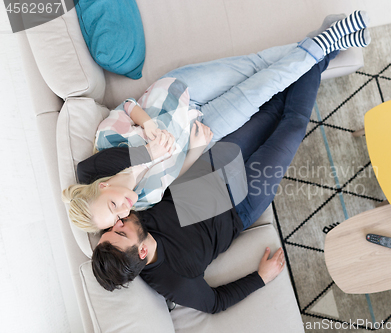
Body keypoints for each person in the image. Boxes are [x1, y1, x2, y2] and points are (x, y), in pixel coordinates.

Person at [88, 27, 352, 313]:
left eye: (111, 229)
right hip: (242, 205)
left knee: (272, 110)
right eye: (120, 231)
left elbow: (86, 172)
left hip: (214, 165)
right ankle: (323, 47)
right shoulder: (172, 282)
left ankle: (322, 48)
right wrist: (261, 277)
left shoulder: (125, 212)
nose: (118, 222)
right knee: (293, 125)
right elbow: (215, 303)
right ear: (141, 251)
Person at [62, 11, 371, 232]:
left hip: (180, 93)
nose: (123, 212)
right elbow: (175, 174)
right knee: (264, 87)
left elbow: (129, 106)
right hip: (204, 129)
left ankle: (328, 41)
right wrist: (196, 149)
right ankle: (328, 37)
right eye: (117, 220)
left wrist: (149, 126)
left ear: (102, 187)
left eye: (113, 206)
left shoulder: (107, 146)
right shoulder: (140, 201)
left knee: (259, 65)